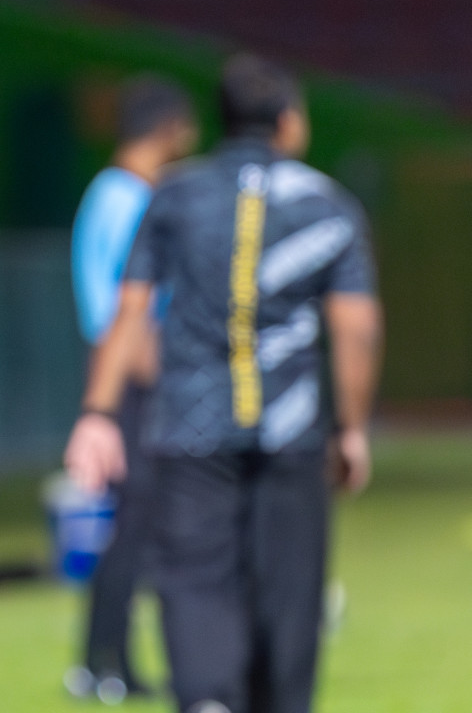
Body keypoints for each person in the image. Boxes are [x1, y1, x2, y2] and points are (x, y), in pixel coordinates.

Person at [64, 55, 383, 713]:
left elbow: (128, 309)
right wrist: (351, 428)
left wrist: (97, 412)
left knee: (195, 578)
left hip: (190, 426)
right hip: (290, 429)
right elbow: (355, 326)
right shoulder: (325, 202)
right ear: (289, 123)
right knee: (287, 590)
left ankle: (207, 696)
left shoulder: (174, 195)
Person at [67, 76, 197, 701]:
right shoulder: (124, 199)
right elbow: (126, 314)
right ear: (168, 127)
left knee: (139, 526)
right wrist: (160, 387)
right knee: (136, 526)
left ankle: (112, 662)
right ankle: (101, 662)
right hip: (132, 386)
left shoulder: (115, 193)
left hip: (125, 384)